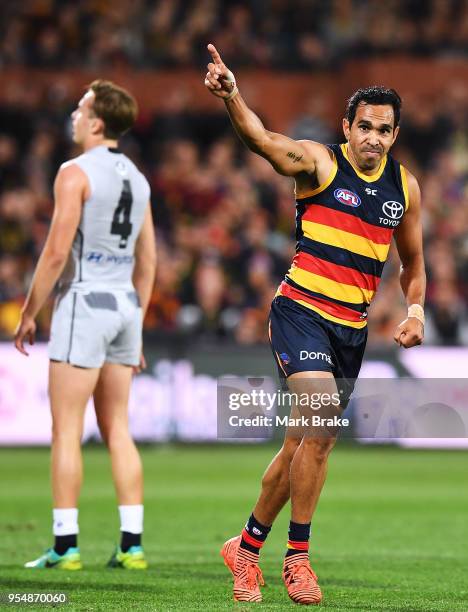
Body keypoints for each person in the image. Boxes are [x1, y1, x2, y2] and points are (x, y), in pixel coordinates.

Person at [204, 44, 425, 605]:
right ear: (345, 127)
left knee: (305, 444)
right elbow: (262, 140)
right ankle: (298, 557)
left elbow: (415, 266)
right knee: (322, 427)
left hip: (350, 330)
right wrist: (233, 96)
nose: (373, 137)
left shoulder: (405, 189)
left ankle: (246, 546)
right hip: (300, 312)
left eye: (384, 129)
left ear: (395, 135)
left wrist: (415, 309)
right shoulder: (320, 163)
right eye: (365, 126)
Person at [14, 80, 157, 570]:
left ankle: (64, 545)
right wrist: (137, 319)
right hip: (124, 306)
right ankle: (132, 544)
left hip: (84, 304)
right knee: (119, 427)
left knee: (67, 431)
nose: (74, 115)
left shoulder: (74, 172)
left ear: (97, 121)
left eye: (81, 108)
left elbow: (56, 251)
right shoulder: (138, 179)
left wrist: (30, 311)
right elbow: (150, 259)